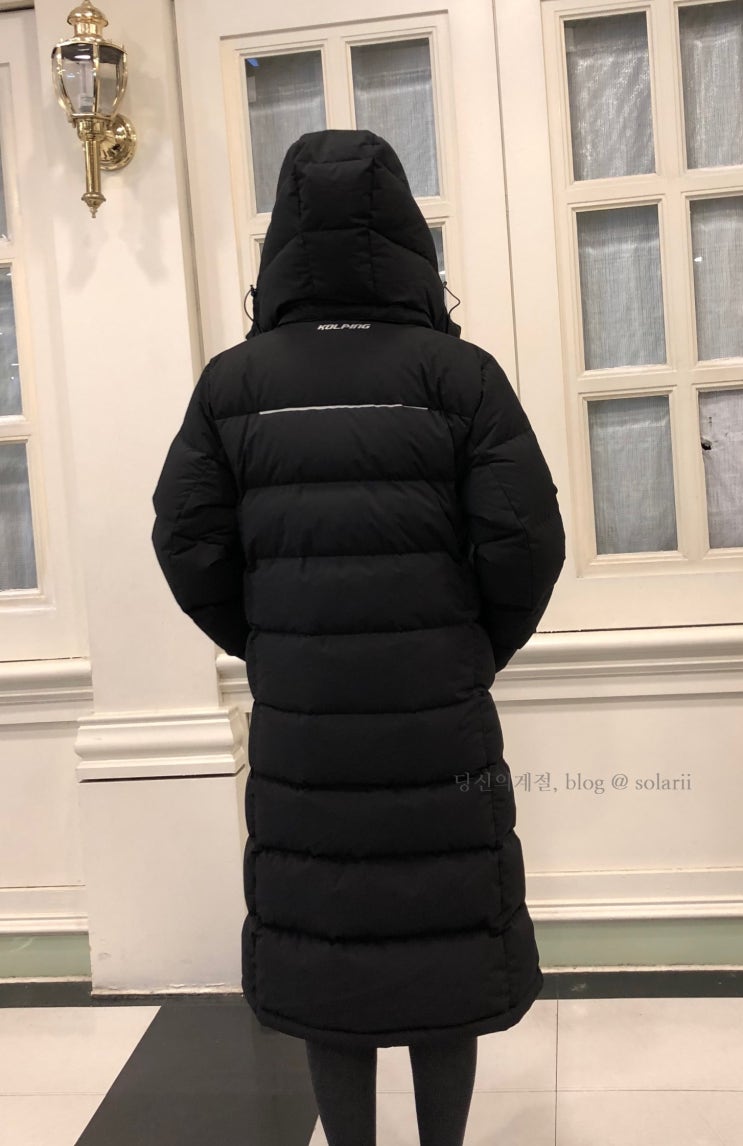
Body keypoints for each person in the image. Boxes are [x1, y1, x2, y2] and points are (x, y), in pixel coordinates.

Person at [151, 128, 566, 1146]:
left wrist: (271, 642)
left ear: (285, 240)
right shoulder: (456, 376)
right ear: (406, 234)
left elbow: (186, 540)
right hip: (437, 717)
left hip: (305, 719)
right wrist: (468, 648)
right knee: (443, 938)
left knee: (326, 943)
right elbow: (526, 542)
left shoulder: (233, 385)